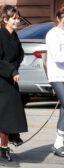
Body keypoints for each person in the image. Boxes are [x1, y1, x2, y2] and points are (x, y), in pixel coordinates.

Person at [0, 5, 28, 167]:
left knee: (10, 115)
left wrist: (14, 69)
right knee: (4, 117)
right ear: (5, 20)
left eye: (18, 18)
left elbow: (19, 55)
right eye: (14, 18)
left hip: (10, 81)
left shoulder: (14, 36)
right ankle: (4, 150)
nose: (17, 20)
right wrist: (11, 70)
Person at [46, 6, 64, 157]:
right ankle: (59, 143)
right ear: (58, 17)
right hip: (57, 77)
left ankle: (58, 143)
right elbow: (57, 57)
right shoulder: (52, 34)